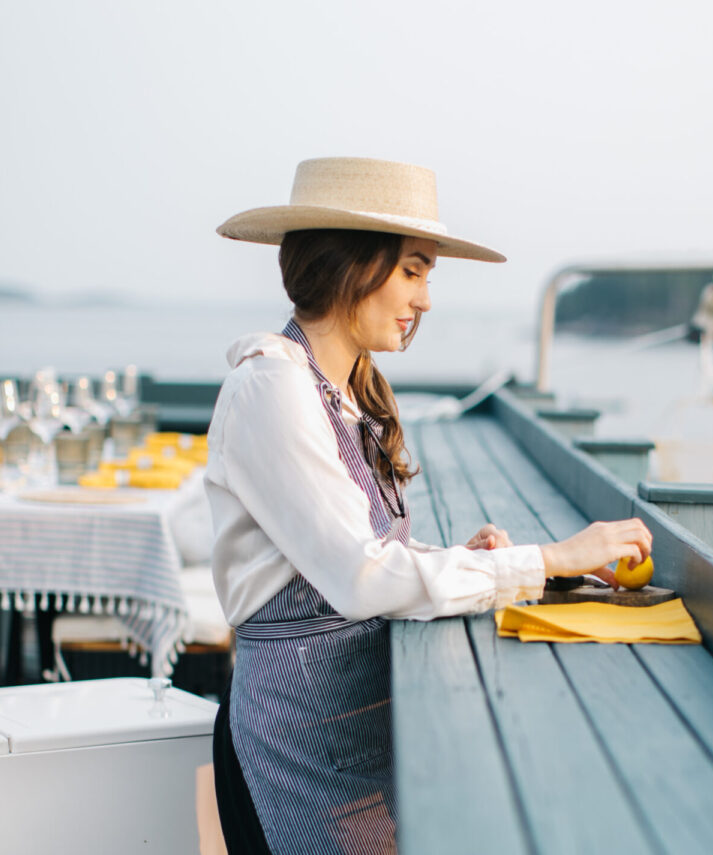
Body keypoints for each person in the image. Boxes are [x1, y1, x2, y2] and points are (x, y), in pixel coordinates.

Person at [206, 157, 653, 855]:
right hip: (305, 730)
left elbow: (352, 553)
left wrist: (478, 564)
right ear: (353, 265)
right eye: (414, 270)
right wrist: (547, 559)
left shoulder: (338, 390)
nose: (427, 297)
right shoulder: (273, 389)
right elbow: (359, 577)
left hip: (347, 717)